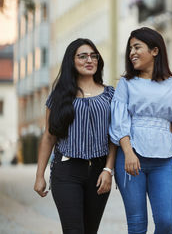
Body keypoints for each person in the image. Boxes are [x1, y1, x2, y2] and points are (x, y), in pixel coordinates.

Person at [109, 27, 172, 234]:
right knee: (137, 224)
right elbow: (119, 122)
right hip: (131, 160)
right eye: (130, 49)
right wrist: (128, 153)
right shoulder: (126, 84)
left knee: (166, 222)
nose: (132, 53)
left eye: (137, 47)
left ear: (155, 51)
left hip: (164, 161)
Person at [33, 38, 117, 234]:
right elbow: (49, 137)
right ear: (72, 61)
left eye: (93, 56)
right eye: (83, 56)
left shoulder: (110, 95)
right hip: (66, 171)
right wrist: (39, 176)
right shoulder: (59, 97)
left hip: (98, 172)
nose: (89, 60)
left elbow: (115, 137)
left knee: (90, 231)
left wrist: (108, 170)